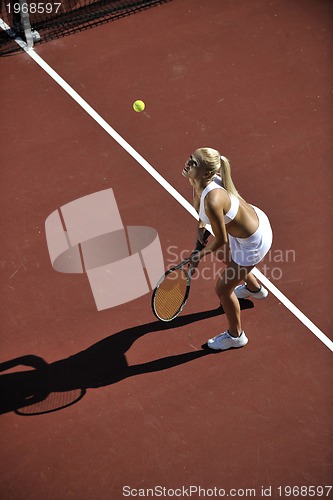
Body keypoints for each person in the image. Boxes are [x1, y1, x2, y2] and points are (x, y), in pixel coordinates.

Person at [182, 147, 273, 351]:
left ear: (207, 173)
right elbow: (202, 212)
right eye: (190, 158)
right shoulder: (197, 182)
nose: (188, 163)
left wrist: (198, 256)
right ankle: (254, 289)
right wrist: (200, 228)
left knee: (222, 289)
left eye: (194, 163)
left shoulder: (213, 199)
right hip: (247, 227)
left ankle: (236, 336)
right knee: (225, 256)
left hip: (253, 242)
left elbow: (221, 239)